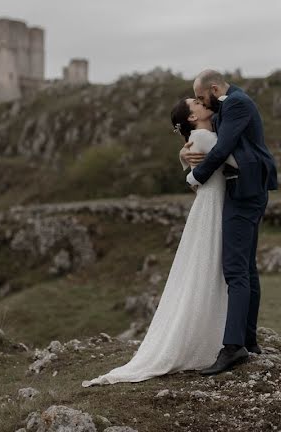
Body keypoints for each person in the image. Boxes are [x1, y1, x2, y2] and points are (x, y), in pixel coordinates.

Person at [81, 96, 238, 386]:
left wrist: (184, 161)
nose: (204, 103)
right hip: (213, 205)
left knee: (203, 268)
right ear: (193, 118)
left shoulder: (199, 137)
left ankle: (209, 334)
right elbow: (234, 161)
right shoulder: (204, 136)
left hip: (208, 203)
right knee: (210, 268)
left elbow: (196, 175)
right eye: (197, 103)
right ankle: (210, 337)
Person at [182, 69, 278, 376]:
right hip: (245, 189)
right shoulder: (229, 103)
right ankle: (248, 340)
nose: (200, 102)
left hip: (245, 190)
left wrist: (195, 175)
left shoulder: (236, 103)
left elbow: (223, 147)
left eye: (200, 97)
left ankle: (234, 346)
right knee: (246, 267)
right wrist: (187, 150)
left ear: (212, 88)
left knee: (235, 269)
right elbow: (212, 141)